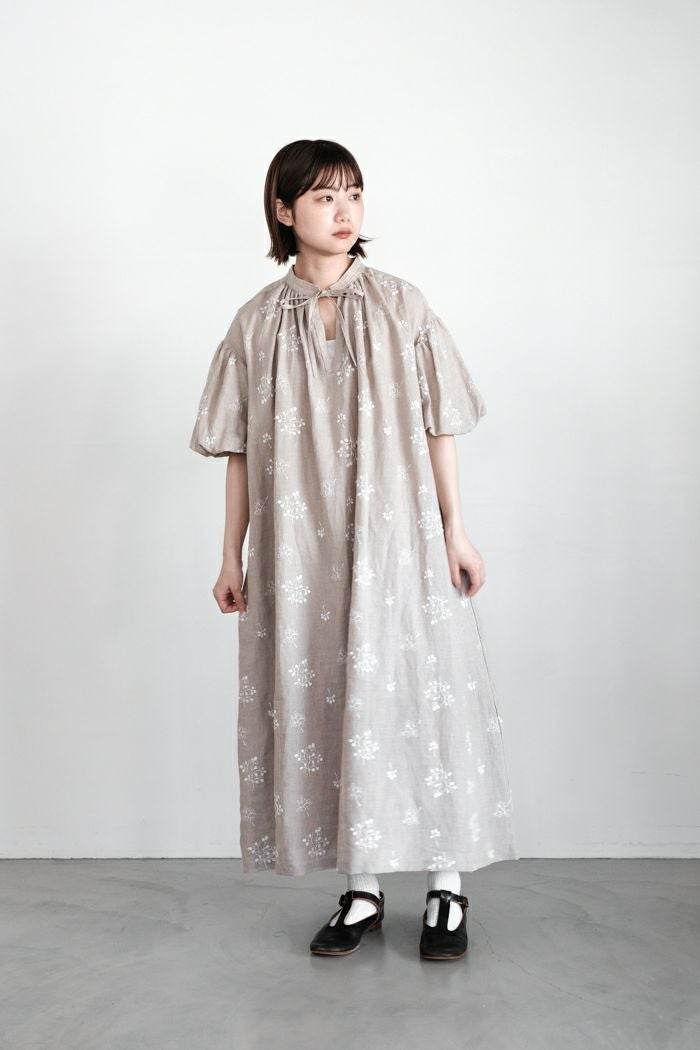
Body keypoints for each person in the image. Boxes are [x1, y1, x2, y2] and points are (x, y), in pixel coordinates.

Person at [189, 138, 518, 961]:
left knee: (421, 694)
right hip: (300, 549)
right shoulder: (256, 322)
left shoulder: (402, 306)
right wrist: (232, 556)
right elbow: (238, 451)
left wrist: (455, 529)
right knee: (331, 699)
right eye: (325, 197)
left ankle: (447, 888)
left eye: (355, 195)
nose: (345, 213)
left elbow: (440, 427)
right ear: (284, 210)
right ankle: (363, 888)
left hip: (398, 538)